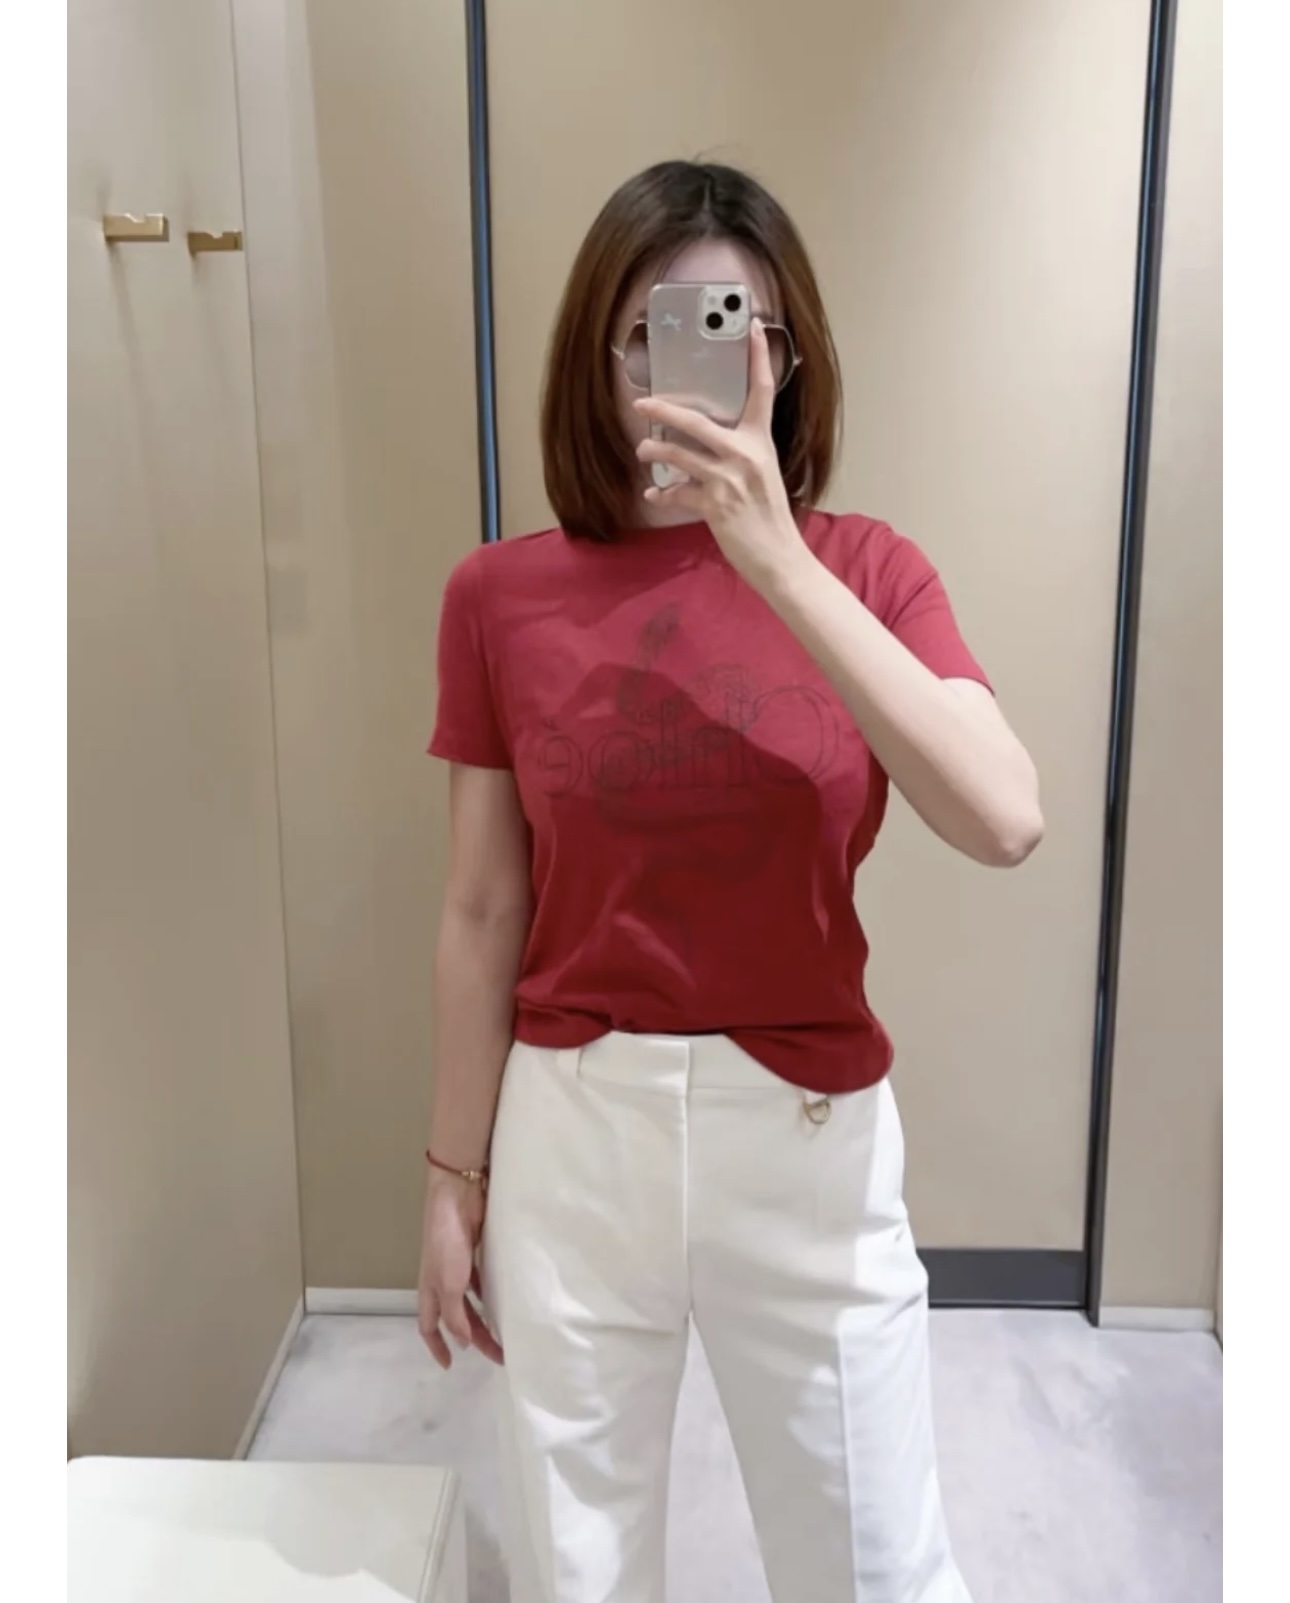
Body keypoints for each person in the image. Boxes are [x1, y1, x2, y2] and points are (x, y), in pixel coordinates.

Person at [418, 160, 1043, 1603]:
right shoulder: (498, 595)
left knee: (875, 1568)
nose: (684, 366)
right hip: (575, 1138)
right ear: (598, 355)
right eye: (648, 331)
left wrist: (774, 560)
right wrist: (452, 1177)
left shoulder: (868, 571)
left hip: (808, 1142)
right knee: (578, 1567)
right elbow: (482, 907)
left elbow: (1006, 817)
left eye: (730, 325)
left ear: (786, 355)